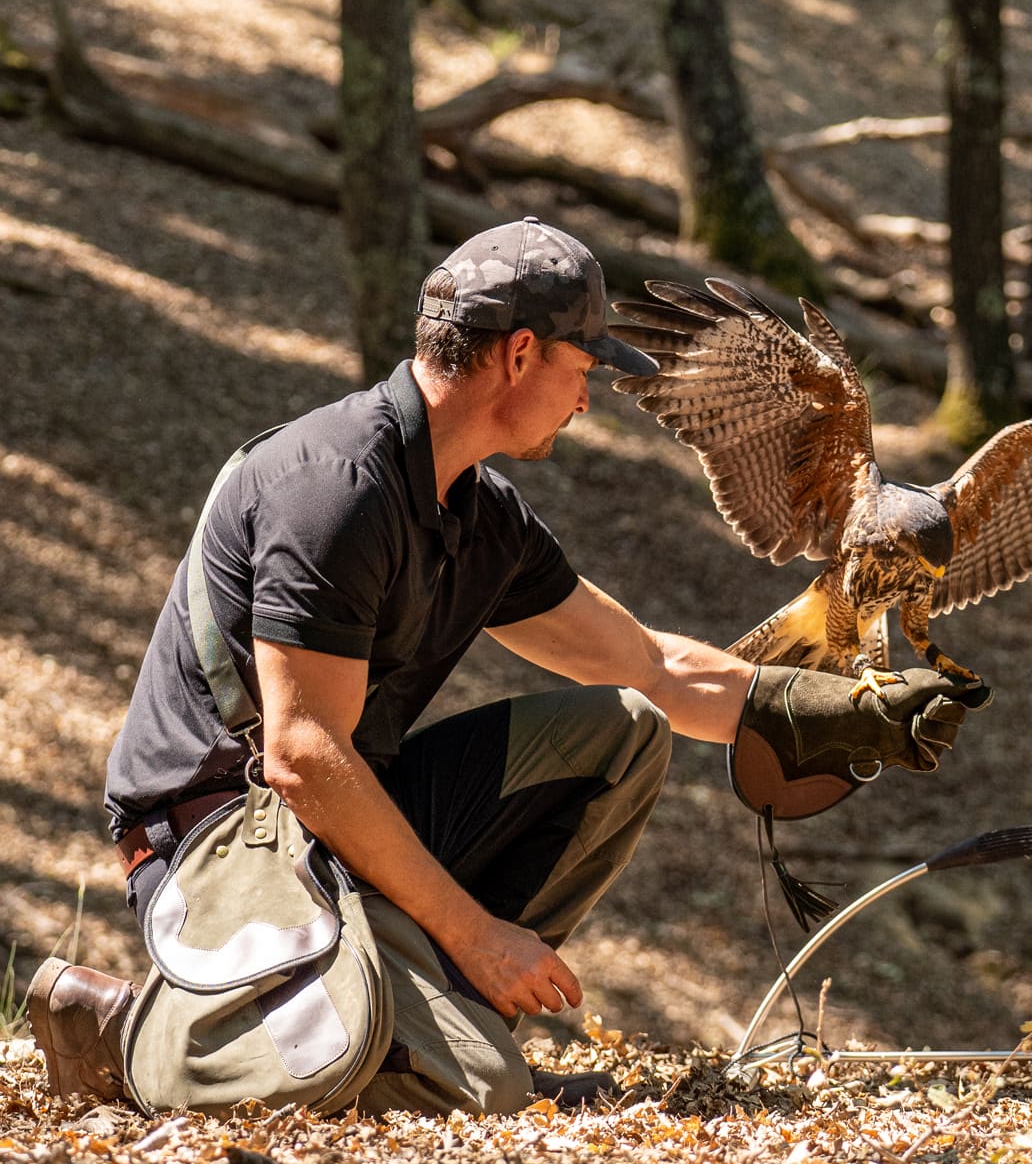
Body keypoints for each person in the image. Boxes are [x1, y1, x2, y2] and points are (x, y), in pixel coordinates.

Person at [29, 219, 975, 1111]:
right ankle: (125, 1032)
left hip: (346, 814)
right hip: (219, 833)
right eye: (583, 365)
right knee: (479, 1092)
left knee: (625, 733)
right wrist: (477, 937)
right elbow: (302, 755)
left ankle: (422, 1011)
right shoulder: (333, 489)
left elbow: (646, 665)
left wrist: (833, 710)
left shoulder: (478, 512)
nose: (589, 394)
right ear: (519, 354)